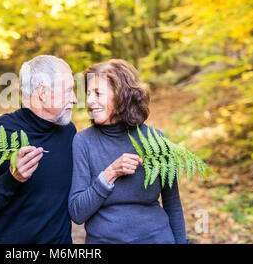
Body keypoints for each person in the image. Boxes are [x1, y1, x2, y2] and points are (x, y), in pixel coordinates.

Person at [0, 55, 78, 243]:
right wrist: (11, 180)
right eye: (69, 91)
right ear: (43, 93)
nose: (75, 99)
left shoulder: (68, 133)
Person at [68, 59, 188, 244]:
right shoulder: (83, 141)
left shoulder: (156, 140)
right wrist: (110, 173)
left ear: (122, 94)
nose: (90, 101)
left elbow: (173, 205)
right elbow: (77, 212)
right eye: (89, 93)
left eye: (98, 93)